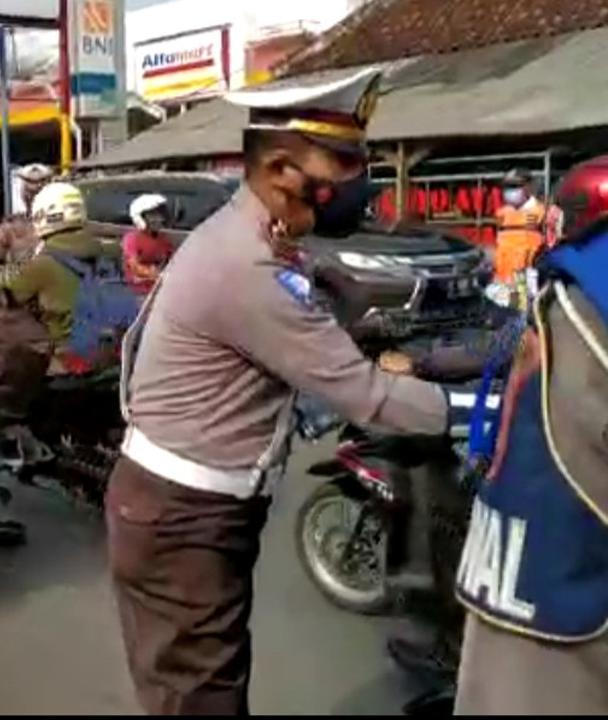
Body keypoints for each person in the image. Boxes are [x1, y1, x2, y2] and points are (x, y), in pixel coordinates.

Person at [109, 69, 457, 715]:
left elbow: (318, 303)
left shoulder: (264, 240)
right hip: (184, 514)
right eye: (346, 161)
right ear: (279, 169)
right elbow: (361, 395)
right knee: (201, 696)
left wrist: (357, 310)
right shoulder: (245, 265)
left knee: (202, 680)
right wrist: (482, 413)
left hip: (189, 503)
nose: (360, 180)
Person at [453, 155, 608, 715]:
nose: (513, 195)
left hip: (558, 601)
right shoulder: (571, 279)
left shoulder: (579, 294)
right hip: (513, 291)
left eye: (519, 188)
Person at [4, 182, 109, 371]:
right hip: (110, 355)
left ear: (44, 216)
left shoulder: (42, 264)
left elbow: (3, 299)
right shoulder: (110, 251)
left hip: (68, 360)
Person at [0, 163, 54, 266]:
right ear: (23, 194)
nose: (33, 197)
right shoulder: (12, 227)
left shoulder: (64, 222)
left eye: (38, 192)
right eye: (30, 192)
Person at [492, 169, 549, 286]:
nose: (510, 191)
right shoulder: (501, 214)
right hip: (502, 281)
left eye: (515, 186)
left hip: (529, 280)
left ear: (529, 186)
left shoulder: (542, 212)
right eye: (507, 187)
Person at [122, 194, 173, 294]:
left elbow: (171, 260)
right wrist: (156, 274)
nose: (160, 219)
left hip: (160, 291)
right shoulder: (132, 239)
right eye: (153, 216)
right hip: (140, 293)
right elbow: (134, 266)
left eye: (160, 215)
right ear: (141, 217)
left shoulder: (163, 241)